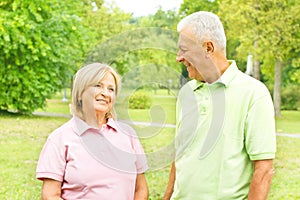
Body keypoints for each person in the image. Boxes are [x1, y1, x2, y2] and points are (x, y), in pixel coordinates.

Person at [163, 11, 276, 200]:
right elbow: (180, 154)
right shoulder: (187, 93)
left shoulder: (254, 93)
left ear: (208, 48)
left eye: (184, 49)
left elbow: (264, 170)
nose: (178, 58)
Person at [36, 63, 149, 200]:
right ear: (80, 94)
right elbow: (50, 195)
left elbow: (141, 189)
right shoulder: (60, 138)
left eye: (111, 89)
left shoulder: (128, 135)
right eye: (98, 86)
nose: (105, 93)